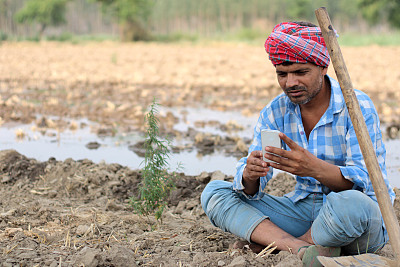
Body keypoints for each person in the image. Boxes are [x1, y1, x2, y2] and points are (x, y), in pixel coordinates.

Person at [201, 21, 395, 265]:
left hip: (357, 220)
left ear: (323, 67)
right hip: (304, 210)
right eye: (282, 74)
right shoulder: (275, 112)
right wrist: (251, 175)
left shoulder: (357, 107)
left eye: (301, 72)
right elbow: (251, 190)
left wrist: (313, 168)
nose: (290, 83)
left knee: (352, 204)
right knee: (216, 193)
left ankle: (282, 244)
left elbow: (366, 182)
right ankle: (300, 248)